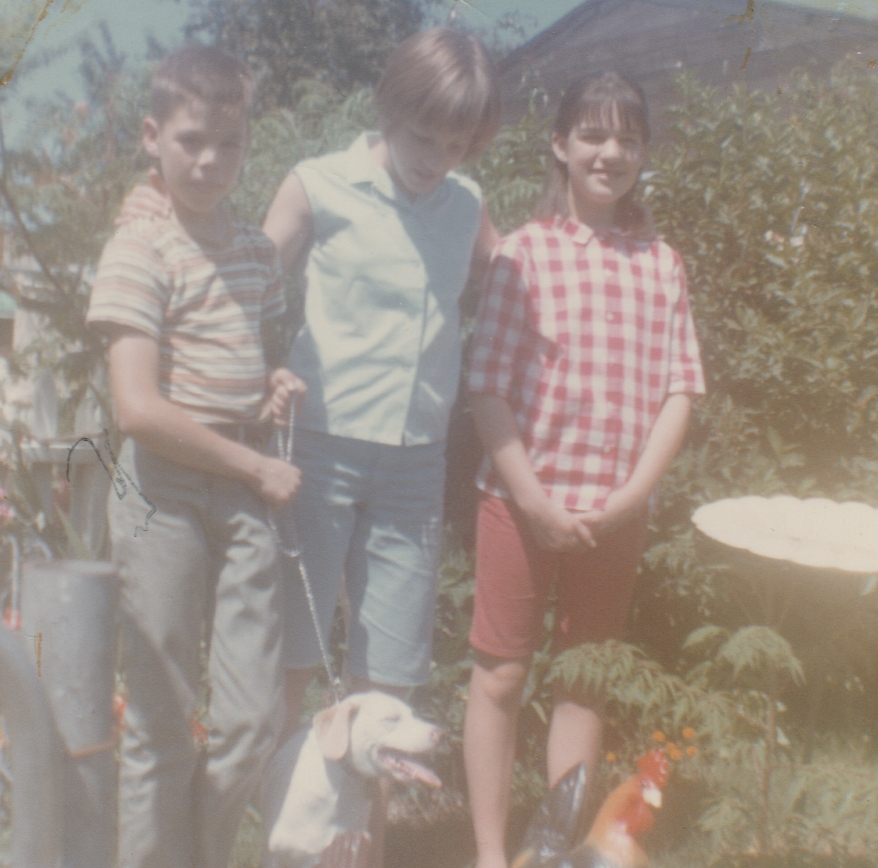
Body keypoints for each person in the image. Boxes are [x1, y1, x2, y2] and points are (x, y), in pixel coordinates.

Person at [462, 72, 705, 868]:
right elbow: (488, 389)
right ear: (560, 145)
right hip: (518, 503)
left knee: (585, 683)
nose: (612, 153)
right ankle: (494, 856)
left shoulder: (662, 262)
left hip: (614, 514)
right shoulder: (522, 254)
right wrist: (530, 499)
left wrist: (634, 496)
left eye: (629, 138)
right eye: (594, 135)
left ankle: (564, 852)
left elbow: (680, 389)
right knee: (500, 678)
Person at [87, 44, 304, 868]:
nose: (210, 161)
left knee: (251, 724)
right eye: (189, 141)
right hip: (165, 492)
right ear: (153, 136)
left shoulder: (252, 251)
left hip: (243, 483)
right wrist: (253, 466)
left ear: (247, 142)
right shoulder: (138, 248)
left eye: (229, 143)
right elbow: (138, 409)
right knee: (160, 721)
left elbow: (241, 357)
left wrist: (270, 387)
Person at [260, 26, 501, 726]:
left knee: (389, 676)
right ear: (391, 107)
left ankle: (363, 838)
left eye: (458, 148)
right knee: (292, 655)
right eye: (425, 138)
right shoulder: (318, 184)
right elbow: (241, 280)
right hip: (317, 449)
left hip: (415, 463)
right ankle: (276, 820)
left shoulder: (467, 205)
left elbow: (517, 270)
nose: (437, 160)